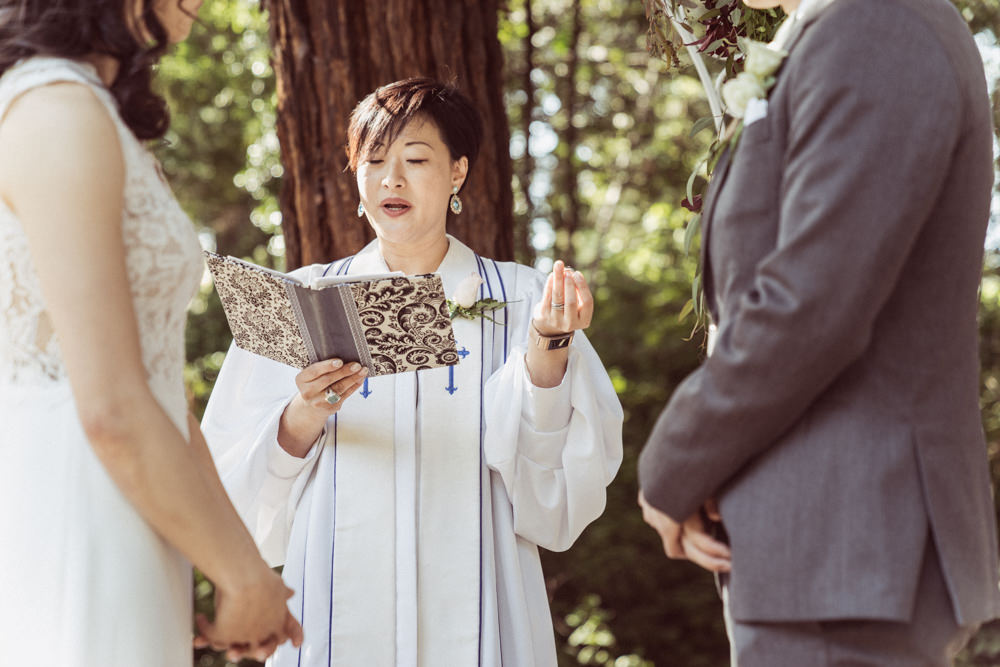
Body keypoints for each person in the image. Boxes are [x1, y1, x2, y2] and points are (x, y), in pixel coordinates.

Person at [202, 77, 624, 666]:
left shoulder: (526, 298)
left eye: (415, 160)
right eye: (373, 160)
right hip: (334, 607)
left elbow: (556, 490)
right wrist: (301, 416)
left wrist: (548, 347)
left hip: (482, 606)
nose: (390, 179)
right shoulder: (299, 300)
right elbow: (231, 494)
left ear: (458, 173)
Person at [637, 0, 1000, 664]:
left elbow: (811, 303)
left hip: (849, 545)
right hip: (822, 556)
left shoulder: (880, 25)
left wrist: (673, 465)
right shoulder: (840, 28)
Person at [0, 1, 303, 665]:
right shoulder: (53, 111)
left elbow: (164, 393)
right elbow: (110, 407)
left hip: (138, 507)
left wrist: (240, 563)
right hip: (76, 509)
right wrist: (240, 576)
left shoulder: (97, 116)